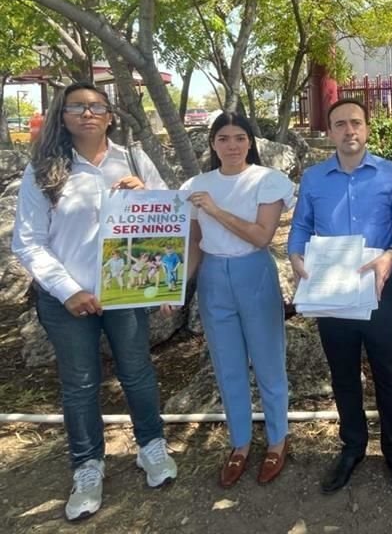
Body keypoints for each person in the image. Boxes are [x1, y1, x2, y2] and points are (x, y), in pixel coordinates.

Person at [12, 81, 177, 522]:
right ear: (61, 117)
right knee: (80, 384)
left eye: (96, 106)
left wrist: (144, 196)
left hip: (125, 295)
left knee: (138, 373)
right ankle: (87, 466)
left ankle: (151, 447)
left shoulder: (135, 160)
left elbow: (164, 222)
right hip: (66, 301)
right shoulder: (45, 169)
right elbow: (27, 242)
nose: (87, 113)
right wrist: (69, 291)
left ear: (109, 115)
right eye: (77, 107)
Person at [288, 98, 392, 496]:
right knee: (343, 374)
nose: (349, 131)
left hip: (378, 290)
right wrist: (294, 255)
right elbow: (300, 226)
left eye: (356, 123)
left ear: (367, 127)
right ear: (329, 132)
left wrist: (390, 255)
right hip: (331, 292)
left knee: (388, 373)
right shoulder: (313, 178)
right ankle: (353, 447)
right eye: (340, 124)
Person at [180, 112, 294, 488]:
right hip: (213, 275)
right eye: (224, 138)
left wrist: (214, 209)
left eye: (240, 138)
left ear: (251, 142)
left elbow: (262, 236)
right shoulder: (196, 184)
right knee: (227, 365)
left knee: (268, 362)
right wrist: (178, 287)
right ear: (212, 144)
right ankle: (240, 443)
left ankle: (277, 439)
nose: (232, 145)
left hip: (254, 272)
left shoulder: (267, 180)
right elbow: (195, 242)